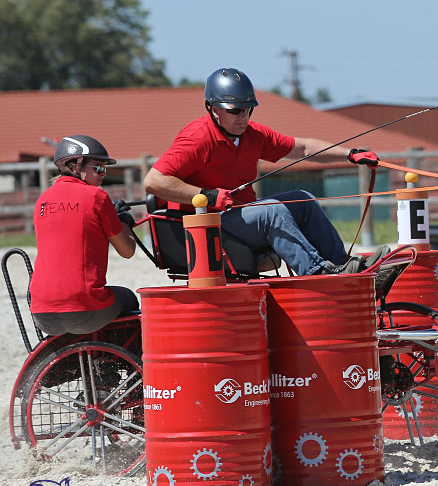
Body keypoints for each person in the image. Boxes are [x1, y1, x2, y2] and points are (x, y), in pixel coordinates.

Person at [143, 67, 387, 276]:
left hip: (238, 217)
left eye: (248, 109)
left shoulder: (253, 135)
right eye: (235, 110)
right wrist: (207, 195)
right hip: (206, 225)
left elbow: (303, 148)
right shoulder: (197, 139)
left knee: (303, 200)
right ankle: (317, 274)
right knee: (271, 212)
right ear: (212, 108)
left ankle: (345, 266)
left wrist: (350, 154)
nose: (243, 117)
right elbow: (154, 181)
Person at [30, 135, 139, 336]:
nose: (103, 174)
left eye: (104, 168)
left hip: (40, 313)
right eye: (98, 167)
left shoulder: (42, 201)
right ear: (74, 166)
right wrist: (124, 219)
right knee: (129, 298)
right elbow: (127, 251)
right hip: (84, 310)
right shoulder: (96, 196)